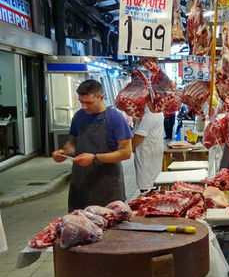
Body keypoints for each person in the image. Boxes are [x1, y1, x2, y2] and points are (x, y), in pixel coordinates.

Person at [52, 79, 132, 212]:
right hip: (81, 186)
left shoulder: (115, 118)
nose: (84, 107)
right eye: (81, 102)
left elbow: (126, 152)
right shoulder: (79, 116)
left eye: (88, 102)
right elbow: (72, 144)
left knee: (110, 227)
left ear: (101, 98)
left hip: (108, 188)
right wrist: (63, 152)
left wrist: (95, 158)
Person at [132, 102, 164, 192]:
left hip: (148, 155)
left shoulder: (151, 114)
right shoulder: (149, 112)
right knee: (150, 184)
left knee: (148, 187)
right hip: (147, 152)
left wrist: (130, 147)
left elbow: (139, 136)